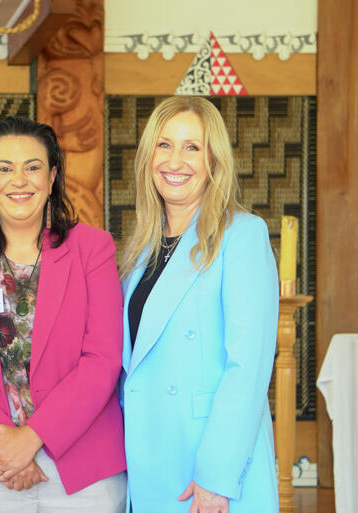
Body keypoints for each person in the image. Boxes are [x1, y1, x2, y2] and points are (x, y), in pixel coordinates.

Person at [0, 116, 127, 513]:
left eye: (32, 167)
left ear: (51, 178)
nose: (19, 180)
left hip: (81, 467)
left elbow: (102, 358)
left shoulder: (92, 249)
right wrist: (4, 449)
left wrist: (33, 437)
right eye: (5, 168)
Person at [119, 96, 279, 513]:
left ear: (214, 161)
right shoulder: (140, 252)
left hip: (207, 471)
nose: (176, 160)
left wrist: (217, 476)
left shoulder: (242, 236)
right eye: (164, 145)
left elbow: (248, 366)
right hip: (149, 457)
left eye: (192, 147)